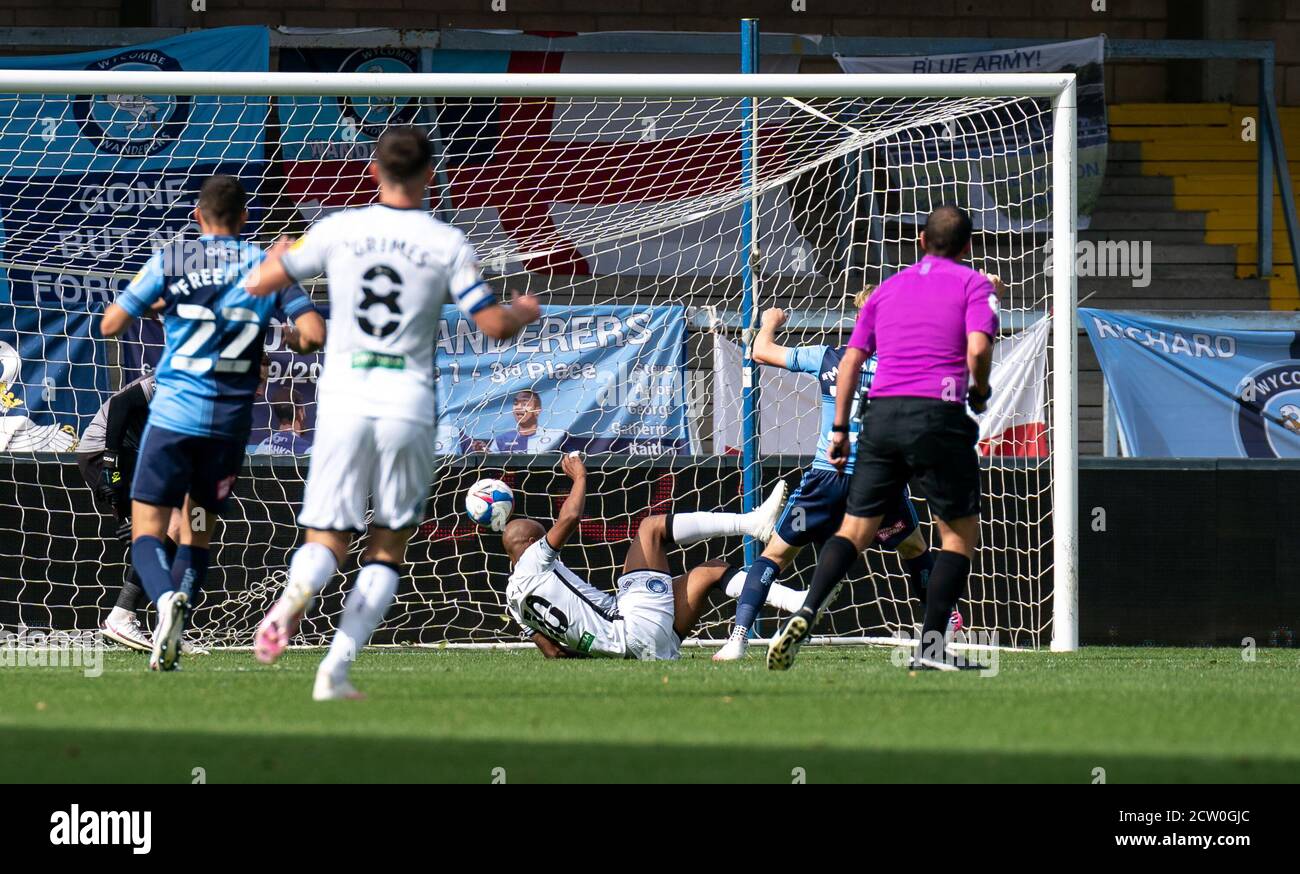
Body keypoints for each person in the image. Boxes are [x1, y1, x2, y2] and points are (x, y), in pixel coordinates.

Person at [249, 127, 542, 700]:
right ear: (432, 175)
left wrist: (280, 259)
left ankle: (290, 603)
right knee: (387, 544)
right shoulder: (447, 242)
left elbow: (263, 282)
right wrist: (523, 311)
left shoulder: (339, 229)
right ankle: (334, 669)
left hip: (343, 399)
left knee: (326, 536)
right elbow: (492, 324)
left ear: (374, 171)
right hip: (407, 404)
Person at [99, 174, 326, 671]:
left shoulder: (172, 259)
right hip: (226, 429)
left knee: (149, 530)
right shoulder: (266, 266)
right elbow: (313, 334)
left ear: (198, 217)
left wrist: (157, 304)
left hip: (173, 418)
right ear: (245, 219)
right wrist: (291, 340)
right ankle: (174, 614)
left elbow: (111, 323)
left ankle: (162, 607)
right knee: (197, 530)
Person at [767, 204, 1001, 672]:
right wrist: (978, 390)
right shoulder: (974, 283)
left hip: (881, 418)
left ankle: (807, 611)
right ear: (968, 246)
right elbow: (977, 348)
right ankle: (932, 648)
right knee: (955, 537)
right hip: (938, 415)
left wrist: (839, 430)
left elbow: (851, 362)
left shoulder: (889, 289)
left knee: (854, 529)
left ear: (920, 242)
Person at [713, 299, 956, 662]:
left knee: (775, 555)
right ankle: (943, 625)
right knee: (915, 549)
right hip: (878, 481)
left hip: (827, 478)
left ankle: (739, 638)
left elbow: (760, 352)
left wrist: (770, 321)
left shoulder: (828, 358)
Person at [503, 453, 798, 660]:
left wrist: (603, 648)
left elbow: (552, 651)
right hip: (631, 623)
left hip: (645, 646)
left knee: (712, 570)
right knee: (650, 528)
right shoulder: (533, 560)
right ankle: (751, 523)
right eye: (541, 537)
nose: (545, 540)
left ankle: (795, 601)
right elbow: (569, 517)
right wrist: (580, 477)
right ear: (530, 543)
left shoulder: (512, 600)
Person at [76, 371, 183, 651]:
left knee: (178, 528)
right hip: (105, 451)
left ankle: (163, 628)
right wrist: (110, 466)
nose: (259, 392)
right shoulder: (187, 373)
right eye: (258, 381)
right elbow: (123, 403)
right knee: (173, 525)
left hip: (138, 458)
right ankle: (122, 617)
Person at [489, 389, 566, 453]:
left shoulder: (557, 435)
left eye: (525, 404)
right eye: (516, 403)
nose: (518, 407)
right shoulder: (501, 440)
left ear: (537, 410)